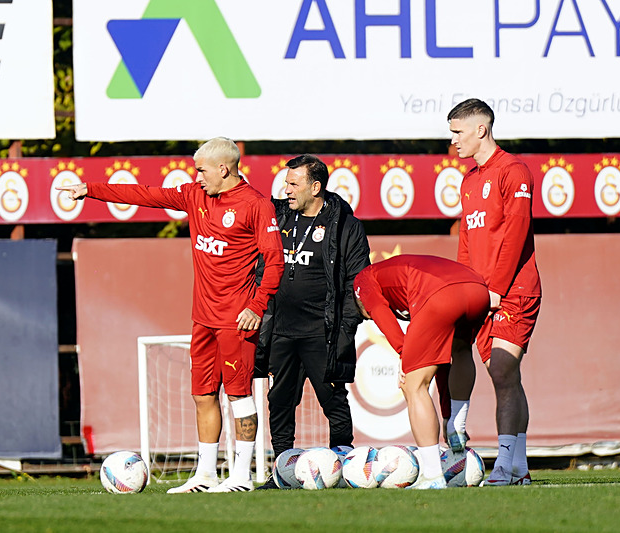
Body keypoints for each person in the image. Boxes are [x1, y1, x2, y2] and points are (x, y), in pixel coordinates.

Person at [57, 137, 284, 493]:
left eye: (202, 170)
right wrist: (90, 190)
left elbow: (275, 260)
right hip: (203, 318)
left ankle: (241, 475)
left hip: (236, 319)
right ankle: (206, 474)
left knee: (239, 396)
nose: (198, 177)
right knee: (203, 394)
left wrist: (256, 306)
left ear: (223, 169)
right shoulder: (195, 196)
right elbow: (147, 195)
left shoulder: (256, 205)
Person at [253, 155, 370, 490]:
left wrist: (346, 328)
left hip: (324, 332)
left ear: (315, 187)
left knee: (333, 401)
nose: (285, 189)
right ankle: (283, 473)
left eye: (293, 183)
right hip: (281, 330)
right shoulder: (276, 216)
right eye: (285, 182)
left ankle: (344, 469)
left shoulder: (346, 224)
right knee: (280, 403)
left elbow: (356, 282)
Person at [447, 98, 542, 486]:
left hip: (514, 291)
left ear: (480, 130)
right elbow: (467, 242)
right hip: (481, 294)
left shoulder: (514, 171)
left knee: (503, 369)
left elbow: (517, 233)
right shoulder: (469, 180)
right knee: (505, 376)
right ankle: (517, 465)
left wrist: (497, 289)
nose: (452, 141)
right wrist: (466, 288)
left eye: (457, 132)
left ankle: (503, 465)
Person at [353, 254, 490, 489]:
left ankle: (433, 475)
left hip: (439, 293)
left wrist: (404, 356)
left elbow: (381, 313)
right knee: (461, 349)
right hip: (479, 290)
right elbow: (443, 364)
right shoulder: (404, 282)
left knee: (413, 385)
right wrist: (447, 415)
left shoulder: (362, 280)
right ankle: (457, 425)